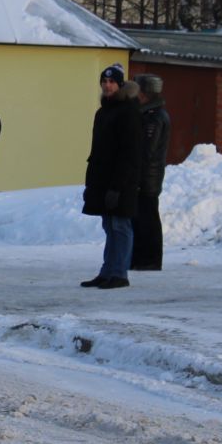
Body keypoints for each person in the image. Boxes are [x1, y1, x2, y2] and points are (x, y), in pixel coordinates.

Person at [82, 63, 146, 290]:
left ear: (120, 85)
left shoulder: (128, 112)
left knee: (120, 225)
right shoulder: (104, 112)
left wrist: (118, 186)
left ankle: (119, 273)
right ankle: (107, 271)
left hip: (121, 181)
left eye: (112, 82)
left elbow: (130, 153)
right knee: (109, 225)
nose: (107, 86)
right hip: (103, 179)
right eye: (105, 81)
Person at [133, 74, 170, 271]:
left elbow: (147, 150)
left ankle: (150, 260)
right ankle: (141, 258)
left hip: (148, 178)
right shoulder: (149, 114)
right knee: (141, 219)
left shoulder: (153, 118)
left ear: (145, 93)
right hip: (147, 177)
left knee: (148, 219)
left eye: (137, 90)